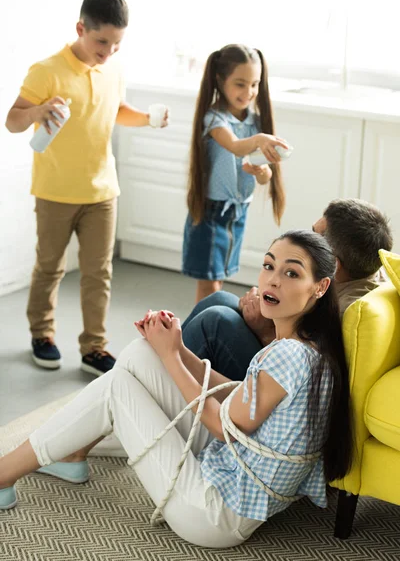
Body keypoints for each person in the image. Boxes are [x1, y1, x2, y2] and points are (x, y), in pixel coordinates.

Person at [0, 230, 353, 549]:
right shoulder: (309, 345)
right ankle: (69, 451)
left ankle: (8, 471)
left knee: (118, 387)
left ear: (320, 287)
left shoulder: (287, 356)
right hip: (228, 468)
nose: (272, 281)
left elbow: (221, 425)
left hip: (214, 513)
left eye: (291, 273)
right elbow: (241, 396)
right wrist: (179, 349)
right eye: (268, 266)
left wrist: (170, 357)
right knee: (141, 353)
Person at [5, 0, 168, 375]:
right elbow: (13, 120)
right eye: (101, 42)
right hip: (55, 192)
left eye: (116, 44)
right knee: (50, 268)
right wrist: (39, 110)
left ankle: (94, 346)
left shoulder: (113, 68)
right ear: (81, 28)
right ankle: (41, 335)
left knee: (99, 273)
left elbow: (116, 111)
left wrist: (147, 118)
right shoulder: (46, 71)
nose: (108, 52)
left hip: (102, 191)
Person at [182, 198, 393, 381]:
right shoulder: (373, 271)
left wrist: (264, 332)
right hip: (290, 357)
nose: (307, 242)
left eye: (315, 238)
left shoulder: (343, 312)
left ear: (334, 265)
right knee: (220, 299)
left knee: (215, 322)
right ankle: (159, 354)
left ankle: (162, 375)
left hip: (290, 387)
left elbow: (300, 366)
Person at [182, 44, 287, 303]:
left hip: (238, 211)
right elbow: (235, 146)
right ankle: (203, 333)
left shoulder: (254, 121)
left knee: (219, 277)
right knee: (209, 283)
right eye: (240, 84)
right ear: (220, 80)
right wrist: (260, 139)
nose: (249, 92)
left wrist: (262, 172)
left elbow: (263, 177)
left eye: (254, 84)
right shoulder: (215, 119)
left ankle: (206, 331)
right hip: (212, 211)